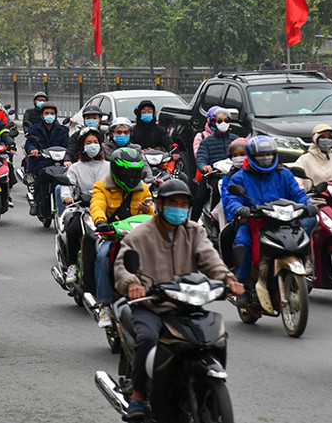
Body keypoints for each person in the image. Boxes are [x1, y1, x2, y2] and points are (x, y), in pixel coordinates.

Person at [114, 179, 244, 418]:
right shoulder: (140, 235)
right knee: (147, 338)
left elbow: (210, 259)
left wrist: (227, 279)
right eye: (172, 202)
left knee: (214, 337)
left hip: (187, 304)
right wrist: (132, 284)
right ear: (160, 205)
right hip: (152, 306)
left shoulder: (194, 231)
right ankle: (138, 395)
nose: (179, 208)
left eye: (184, 204)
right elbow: (123, 265)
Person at [223, 136, 316, 287]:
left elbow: (298, 194)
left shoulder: (284, 174)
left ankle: (307, 268)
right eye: (260, 155)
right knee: (243, 242)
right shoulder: (240, 177)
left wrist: (307, 205)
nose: (265, 158)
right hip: (253, 220)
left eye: (268, 154)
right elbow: (231, 199)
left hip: (284, 221)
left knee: (303, 238)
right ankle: (242, 282)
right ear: (252, 156)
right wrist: (240, 208)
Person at [90, 148, 155, 327]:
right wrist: (101, 221)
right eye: (127, 172)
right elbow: (97, 205)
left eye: (134, 172)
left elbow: (151, 215)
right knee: (102, 257)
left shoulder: (144, 189)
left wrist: (147, 210)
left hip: (138, 237)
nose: (131, 176)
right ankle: (104, 305)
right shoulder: (101, 186)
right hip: (113, 235)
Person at [59, 127, 109, 283]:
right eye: (89, 143)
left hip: (106, 209)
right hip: (83, 209)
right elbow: (67, 186)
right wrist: (67, 197)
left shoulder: (109, 166)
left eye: (95, 142)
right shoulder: (75, 168)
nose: (93, 145)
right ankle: (73, 265)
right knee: (73, 230)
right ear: (82, 146)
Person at [191, 108, 238, 221]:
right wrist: (204, 167)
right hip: (213, 175)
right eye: (220, 121)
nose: (223, 123)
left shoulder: (236, 140)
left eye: (226, 121)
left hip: (233, 175)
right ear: (213, 123)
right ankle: (195, 223)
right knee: (200, 198)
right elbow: (201, 157)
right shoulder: (206, 142)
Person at [25, 101, 70, 216]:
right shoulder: (34, 129)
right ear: (42, 115)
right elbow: (30, 143)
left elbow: (68, 145)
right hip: (42, 160)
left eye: (52, 113)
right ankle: (36, 202)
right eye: (46, 113)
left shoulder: (63, 130)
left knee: (67, 176)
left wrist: (68, 157)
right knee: (41, 174)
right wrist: (33, 150)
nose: (49, 115)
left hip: (59, 161)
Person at [292, 124, 332, 191]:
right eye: (323, 137)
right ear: (315, 139)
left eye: (329, 138)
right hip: (312, 196)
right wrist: (301, 191)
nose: (326, 140)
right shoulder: (304, 159)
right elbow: (296, 179)